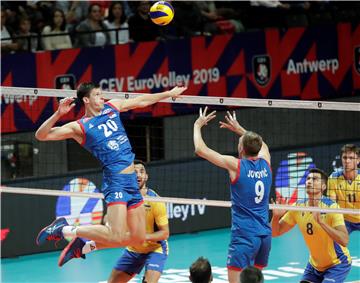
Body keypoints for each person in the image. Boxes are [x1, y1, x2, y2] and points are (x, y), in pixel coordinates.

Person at [35, 82, 186, 267]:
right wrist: (59, 114)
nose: (102, 97)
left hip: (131, 180)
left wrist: (169, 93)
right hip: (115, 181)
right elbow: (41, 136)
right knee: (116, 234)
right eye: (98, 95)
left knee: (137, 238)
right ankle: (64, 228)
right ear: (86, 99)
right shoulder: (79, 127)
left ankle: (81, 247)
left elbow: (141, 101)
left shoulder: (112, 107)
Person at [193, 108, 272, 283]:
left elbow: (200, 149)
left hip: (244, 236)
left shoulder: (236, 165)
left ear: (242, 148)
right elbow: (262, 144)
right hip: (264, 236)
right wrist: (241, 130)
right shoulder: (266, 162)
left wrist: (197, 125)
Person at [272, 168, 351, 283]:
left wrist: (321, 223)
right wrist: (275, 217)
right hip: (315, 266)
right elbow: (275, 232)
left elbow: (344, 240)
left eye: (314, 179)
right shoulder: (298, 207)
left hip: (337, 264)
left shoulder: (332, 208)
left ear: (323, 187)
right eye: (308, 179)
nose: (309, 181)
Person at [107, 159, 169, 283]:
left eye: (141, 171)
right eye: (134, 172)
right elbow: (109, 217)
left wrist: (142, 236)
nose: (138, 174)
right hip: (133, 250)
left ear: (146, 176)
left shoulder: (155, 201)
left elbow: (164, 234)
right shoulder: (123, 198)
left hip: (155, 249)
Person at [327, 144, 360, 234]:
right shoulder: (333, 178)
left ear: (358, 160)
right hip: (344, 219)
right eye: (344, 157)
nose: (347, 161)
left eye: (351, 158)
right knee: (335, 240)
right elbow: (331, 204)